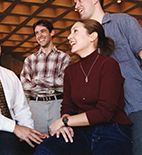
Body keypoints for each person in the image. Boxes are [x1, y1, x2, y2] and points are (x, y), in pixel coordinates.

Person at [34, 19, 133, 155]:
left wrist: (64, 121)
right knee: (45, 149)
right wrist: (65, 122)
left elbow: (105, 112)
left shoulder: (109, 64)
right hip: (82, 132)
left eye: (75, 31)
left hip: (112, 131)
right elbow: (67, 106)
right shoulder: (70, 70)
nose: (69, 37)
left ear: (92, 36)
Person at [71, 0, 142, 155]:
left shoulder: (123, 22)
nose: (76, 6)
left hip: (135, 104)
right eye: (74, 3)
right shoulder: (86, 39)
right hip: (107, 115)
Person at [20, 19, 71, 135]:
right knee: (37, 142)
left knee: (59, 141)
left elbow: (63, 83)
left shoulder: (64, 58)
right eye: (36, 33)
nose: (39, 36)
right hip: (35, 106)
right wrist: (52, 86)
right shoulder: (29, 60)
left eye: (43, 31)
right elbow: (25, 86)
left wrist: (37, 80)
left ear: (52, 32)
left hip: (57, 104)